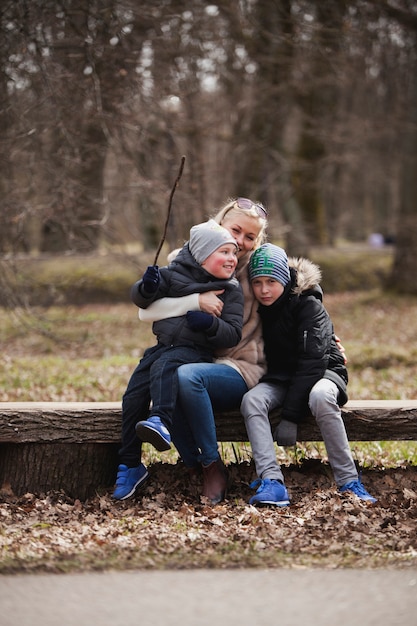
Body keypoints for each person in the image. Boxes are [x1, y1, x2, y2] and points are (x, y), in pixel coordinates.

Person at [120, 197, 269, 504]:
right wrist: (195, 302)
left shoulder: (261, 271)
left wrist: (325, 345)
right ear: (219, 227)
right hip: (194, 354)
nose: (240, 242)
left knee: (184, 375)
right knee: (157, 381)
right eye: (235, 231)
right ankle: (174, 464)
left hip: (240, 365)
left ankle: (211, 466)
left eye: (249, 237)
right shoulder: (186, 263)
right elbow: (145, 312)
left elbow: (298, 303)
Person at [240, 243, 377, 506]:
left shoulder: (309, 306)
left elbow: (312, 364)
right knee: (252, 400)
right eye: (257, 282)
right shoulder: (258, 310)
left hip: (323, 372)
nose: (264, 290)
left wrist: (290, 417)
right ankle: (271, 481)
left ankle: (349, 481)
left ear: (284, 278)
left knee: (321, 397)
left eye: (271, 281)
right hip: (283, 377)